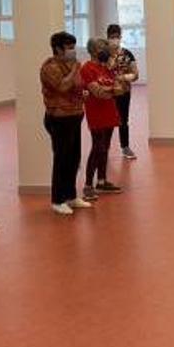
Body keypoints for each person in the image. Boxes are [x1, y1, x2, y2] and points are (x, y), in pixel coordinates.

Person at [41, 32, 93, 215]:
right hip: (58, 118)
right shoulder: (50, 67)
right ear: (58, 49)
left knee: (74, 158)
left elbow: (78, 86)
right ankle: (57, 199)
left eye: (73, 46)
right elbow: (62, 86)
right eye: (69, 47)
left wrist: (83, 93)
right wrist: (73, 71)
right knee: (61, 159)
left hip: (75, 116)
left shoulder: (72, 65)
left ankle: (71, 196)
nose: (72, 50)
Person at [81, 38, 124, 200]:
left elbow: (120, 89)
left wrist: (109, 90)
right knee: (97, 146)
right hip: (96, 113)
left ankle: (102, 180)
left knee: (105, 147)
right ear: (93, 50)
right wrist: (111, 89)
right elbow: (97, 92)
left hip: (109, 112)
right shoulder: (87, 68)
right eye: (101, 47)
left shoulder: (106, 68)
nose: (105, 50)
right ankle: (88, 185)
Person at [105, 25, 139, 160]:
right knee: (106, 121)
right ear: (107, 37)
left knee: (123, 120)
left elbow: (135, 74)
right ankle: (104, 148)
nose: (115, 39)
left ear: (120, 37)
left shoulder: (127, 54)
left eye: (117, 37)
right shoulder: (103, 55)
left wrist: (124, 77)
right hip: (107, 93)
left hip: (124, 92)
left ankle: (125, 147)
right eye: (112, 37)